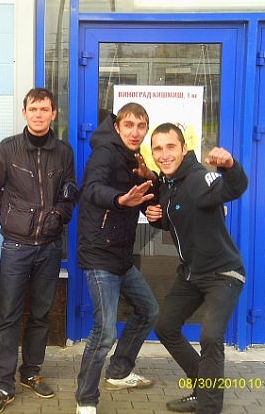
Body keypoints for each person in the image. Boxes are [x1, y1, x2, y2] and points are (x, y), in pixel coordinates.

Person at [0, 87, 77, 414]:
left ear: (53, 114)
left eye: (44, 109)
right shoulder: (9, 149)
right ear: (24, 113)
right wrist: (16, 216)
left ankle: (31, 372)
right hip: (16, 246)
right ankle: (3, 383)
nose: (38, 115)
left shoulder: (63, 152)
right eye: (33, 109)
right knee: (8, 315)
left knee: (40, 314)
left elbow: (70, 193)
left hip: (49, 247)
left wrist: (58, 215)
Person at [146, 123, 248, 413]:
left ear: (184, 149)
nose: (164, 154)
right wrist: (155, 216)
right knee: (165, 327)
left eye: (170, 146)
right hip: (191, 274)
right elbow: (175, 216)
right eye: (158, 148)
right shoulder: (169, 184)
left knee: (211, 337)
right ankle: (202, 386)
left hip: (223, 274)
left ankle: (208, 407)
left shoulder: (198, 178)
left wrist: (230, 166)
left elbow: (233, 187)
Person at [75, 102, 160, 414]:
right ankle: (85, 399)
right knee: (104, 331)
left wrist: (151, 182)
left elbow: (144, 196)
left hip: (121, 256)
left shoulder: (133, 158)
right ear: (117, 127)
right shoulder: (105, 153)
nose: (135, 132)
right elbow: (92, 189)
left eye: (141, 126)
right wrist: (119, 199)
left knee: (148, 310)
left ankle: (119, 371)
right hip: (100, 255)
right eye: (129, 125)